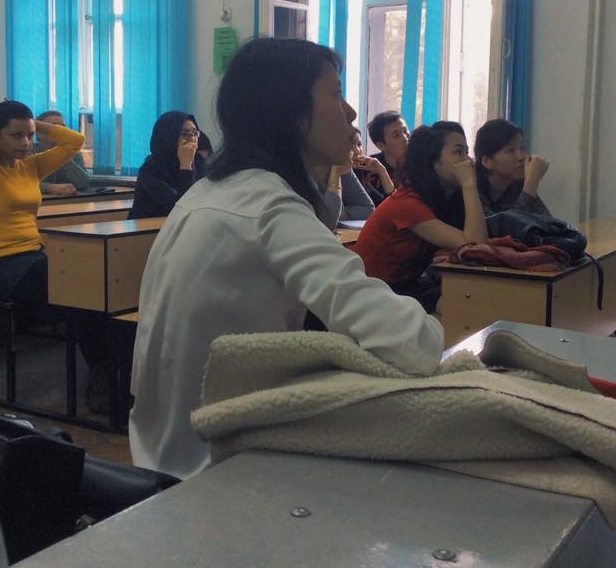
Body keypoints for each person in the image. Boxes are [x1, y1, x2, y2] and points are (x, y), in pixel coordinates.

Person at [129, 38, 443, 479]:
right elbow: (414, 344)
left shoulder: (209, 192)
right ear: (290, 114)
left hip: (160, 457)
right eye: (335, 93)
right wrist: (437, 325)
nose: (351, 112)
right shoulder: (270, 206)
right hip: (216, 474)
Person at [353, 122, 490, 312]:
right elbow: (476, 245)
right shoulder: (407, 203)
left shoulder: (441, 197)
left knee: (476, 294)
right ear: (431, 159)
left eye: (467, 152)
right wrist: (469, 184)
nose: (467, 161)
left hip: (407, 285)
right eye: (458, 152)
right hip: (374, 295)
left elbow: (476, 245)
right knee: (463, 305)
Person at [0, 101, 85, 304]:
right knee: (57, 276)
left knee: (81, 269)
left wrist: (31, 122)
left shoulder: (30, 166)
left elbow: (75, 141)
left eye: (30, 135)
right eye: (16, 136)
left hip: (32, 256)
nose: (26, 143)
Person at [128, 112, 206, 220]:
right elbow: (180, 207)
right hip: (150, 228)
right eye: (185, 134)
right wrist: (185, 165)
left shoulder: (198, 161)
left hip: (187, 225)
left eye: (195, 133)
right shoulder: (150, 170)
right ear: (168, 137)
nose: (192, 139)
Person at [474, 119, 551, 216]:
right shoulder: (472, 189)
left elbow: (548, 223)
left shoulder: (517, 183)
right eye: (510, 150)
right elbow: (507, 224)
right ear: (487, 161)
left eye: (521, 148)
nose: (522, 157)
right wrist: (531, 185)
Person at [32, 111, 91, 196]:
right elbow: (19, 183)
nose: (60, 131)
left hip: (65, 202)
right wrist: (48, 187)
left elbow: (83, 183)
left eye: (62, 128)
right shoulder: (26, 152)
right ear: (39, 133)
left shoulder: (73, 153)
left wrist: (64, 155)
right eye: (54, 127)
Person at [366, 110, 410, 194]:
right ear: (381, 145)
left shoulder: (420, 165)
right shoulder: (369, 168)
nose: (405, 138)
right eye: (397, 135)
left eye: (405, 131)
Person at [351, 127, 393, 206]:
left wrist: (381, 170)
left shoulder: (361, 169)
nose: (357, 150)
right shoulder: (336, 176)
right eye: (350, 145)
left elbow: (391, 202)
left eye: (359, 144)